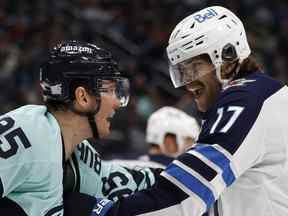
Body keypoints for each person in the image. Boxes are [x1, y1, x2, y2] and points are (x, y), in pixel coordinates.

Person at [80, 6, 288, 216]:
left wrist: (103, 211)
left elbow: (182, 196)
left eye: (194, 68)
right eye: (182, 72)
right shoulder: (260, 96)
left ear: (226, 59)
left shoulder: (247, 99)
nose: (187, 83)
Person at [0, 40, 159, 215]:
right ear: (83, 97)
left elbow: (149, 183)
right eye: (111, 90)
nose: (116, 103)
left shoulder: (81, 155)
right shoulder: (26, 134)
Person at [110, 106, 200, 168]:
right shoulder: (178, 176)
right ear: (168, 142)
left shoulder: (116, 166)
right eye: (188, 141)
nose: (192, 148)